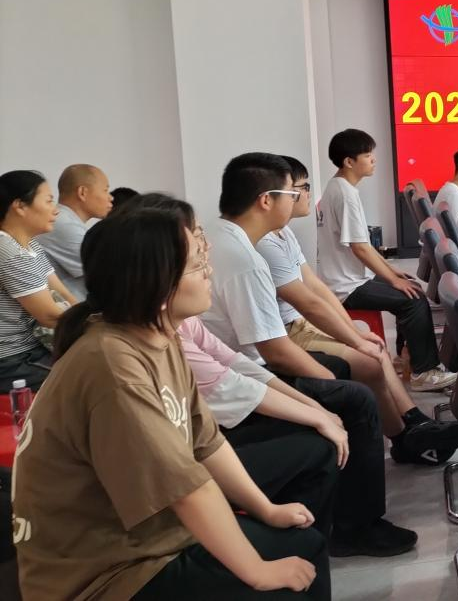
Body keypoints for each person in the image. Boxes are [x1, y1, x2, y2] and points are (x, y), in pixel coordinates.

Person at [13, 205, 330, 600]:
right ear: (158, 287)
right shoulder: (111, 363)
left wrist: (266, 509)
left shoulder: (158, 339)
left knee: (303, 542)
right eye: (197, 265)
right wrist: (257, 571)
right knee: (287, 571)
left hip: (151, 539)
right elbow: (185, 488)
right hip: (108, 573)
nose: (209, 271)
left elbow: (206, 443)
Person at [123, 191, 416, 557]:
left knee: (344, 394)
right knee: (338, 411)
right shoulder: (147, 338)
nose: (207, 256)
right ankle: (341, 530)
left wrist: (315, 407)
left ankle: (330, 529)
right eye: (196, 252)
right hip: (197, 453)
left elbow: (234, 363)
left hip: (216, 420)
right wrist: (317, 413)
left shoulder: (178, 317)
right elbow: (245, 376)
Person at [203, 153, 458, 465]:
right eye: (297, 190)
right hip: (269, 348)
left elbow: (314, 287)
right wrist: (345, 358)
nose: (304, 196)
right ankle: (404, 437)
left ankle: (412, 423)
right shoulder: (250, 256)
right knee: (369, 361)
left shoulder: (271, 235)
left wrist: (354, 334)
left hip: (284, 332)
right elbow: (301, 312)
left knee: (370, 346)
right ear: (266, 200)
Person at [315, 129, 451, 392]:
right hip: (347, 286)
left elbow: (363, 246)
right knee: (413, 299)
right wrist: (392, 279)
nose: (373, 160)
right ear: (349, 161)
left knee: (408, 286)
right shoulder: (345, 193)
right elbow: (360, 248)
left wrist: (392, 272)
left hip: (346, 278)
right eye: (368, 155)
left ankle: (406, 358)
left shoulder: (336, 187)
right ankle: (424, 373)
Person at [0, 171, 75, 390]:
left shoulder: (30, 245)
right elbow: (49, 316)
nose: (56, 209)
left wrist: (94, 318)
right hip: (10, 360)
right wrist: (99, 325)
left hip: (31, 349)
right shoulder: (8, 251)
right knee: (87, 378)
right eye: (49, 201)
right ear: (20, 206)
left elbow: (63, 293)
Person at [37, 164, 113, 300]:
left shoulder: (65, 221)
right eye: (105, 190)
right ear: (82, 192)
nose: (110, 197)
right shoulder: (63, 224)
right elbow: (112, 271)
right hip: (67, 310)